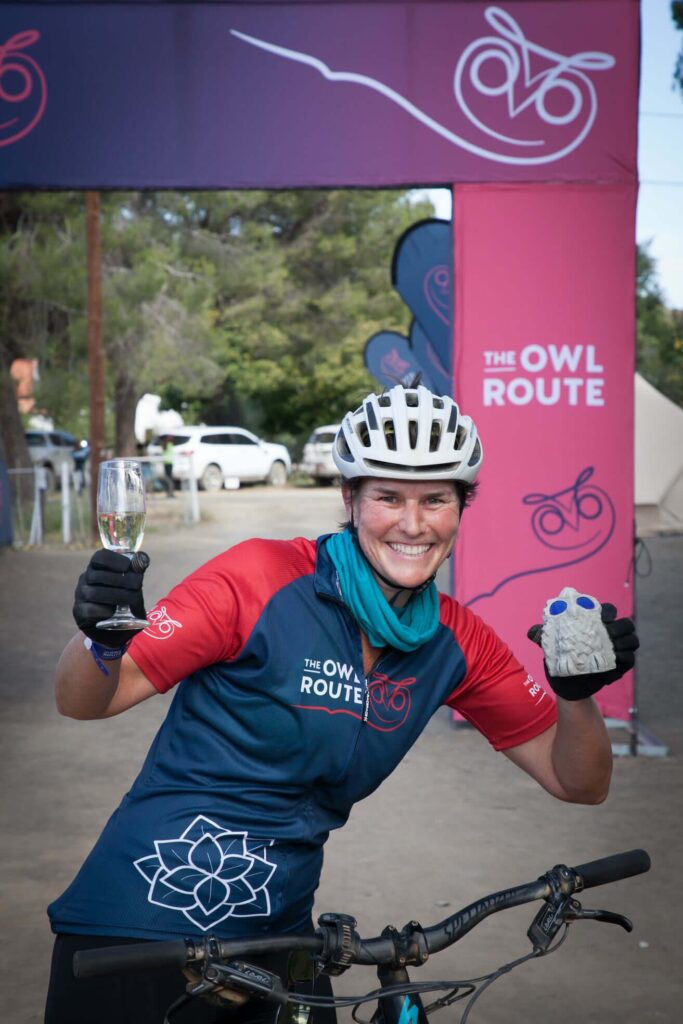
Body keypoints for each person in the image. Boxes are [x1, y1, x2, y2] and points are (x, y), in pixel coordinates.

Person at [45, 383, 638, 1024]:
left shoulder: (455, 640)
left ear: (461, 508)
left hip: (285, 944)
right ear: (350, 499)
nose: (413, 524)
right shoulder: (258, 580)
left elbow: (579, 782)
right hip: (137, 930)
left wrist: (577, 698)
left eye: (435, 499)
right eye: (388, 497)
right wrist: (98, 639)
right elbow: (84, 701)